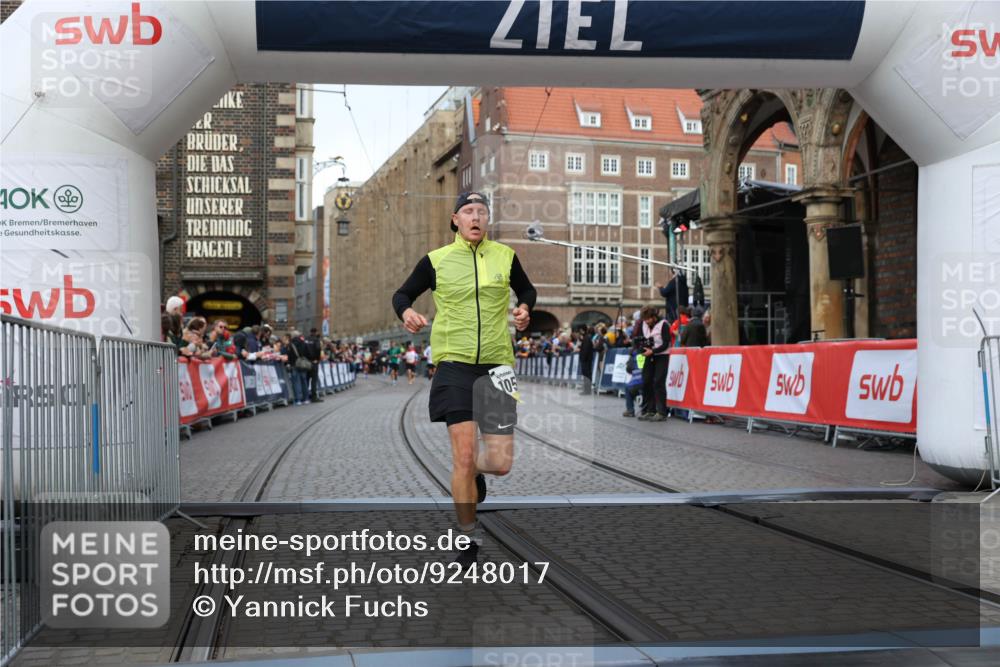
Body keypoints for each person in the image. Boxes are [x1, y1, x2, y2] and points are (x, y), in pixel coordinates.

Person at [392, 191, 536, 566]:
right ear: (455, 219)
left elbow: (526, 289)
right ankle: (468, 536)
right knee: (464, 454)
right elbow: (402, 294)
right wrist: (406, 313)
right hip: (454, 365)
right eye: (469, 211)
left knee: (500, 463)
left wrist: (524, 308)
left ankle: (474, 473)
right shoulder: (436, 260)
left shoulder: (505, 256)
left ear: (487, 219)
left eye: (482, 212)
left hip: (498, 367)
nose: (476, 217)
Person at [637, 306, 670, 422]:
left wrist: (653, 351)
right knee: (646, 381)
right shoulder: (643, 324)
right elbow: (640, 339)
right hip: (649, 356)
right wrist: (641, 348)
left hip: (662, 356)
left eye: (648, 319)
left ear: (654, 317)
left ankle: (661, 412)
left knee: (658, 382)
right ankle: (649, 410)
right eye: (645, 319)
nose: (646, 321)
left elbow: (666, 344)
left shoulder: (663, 324)